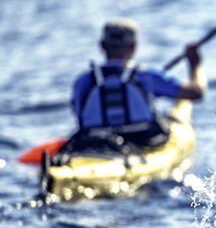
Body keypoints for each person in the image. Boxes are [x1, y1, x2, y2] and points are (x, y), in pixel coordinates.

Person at [68, 18, 207, 149]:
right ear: (134, 47)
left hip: (93, 145)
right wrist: (195, 64)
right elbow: (196, 92)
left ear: (102, 45)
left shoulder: (82, 81)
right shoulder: (146, 75)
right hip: (142, 142)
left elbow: (77, 111)